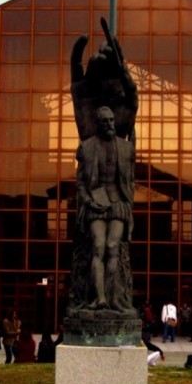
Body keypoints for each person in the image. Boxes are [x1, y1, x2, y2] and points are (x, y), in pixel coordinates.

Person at [75, 105, 136, 312]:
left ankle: (113, 299)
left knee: (112, 247)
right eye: (105, 121)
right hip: (95, 202)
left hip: (118, 202)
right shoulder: (87, 147)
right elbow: (81, 184)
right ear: (98, 124)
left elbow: (130, 181)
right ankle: (99, 299)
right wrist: (88, 201)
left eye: (111, 120)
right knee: (98, 247)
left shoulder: (126, 148)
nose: (109, 124)